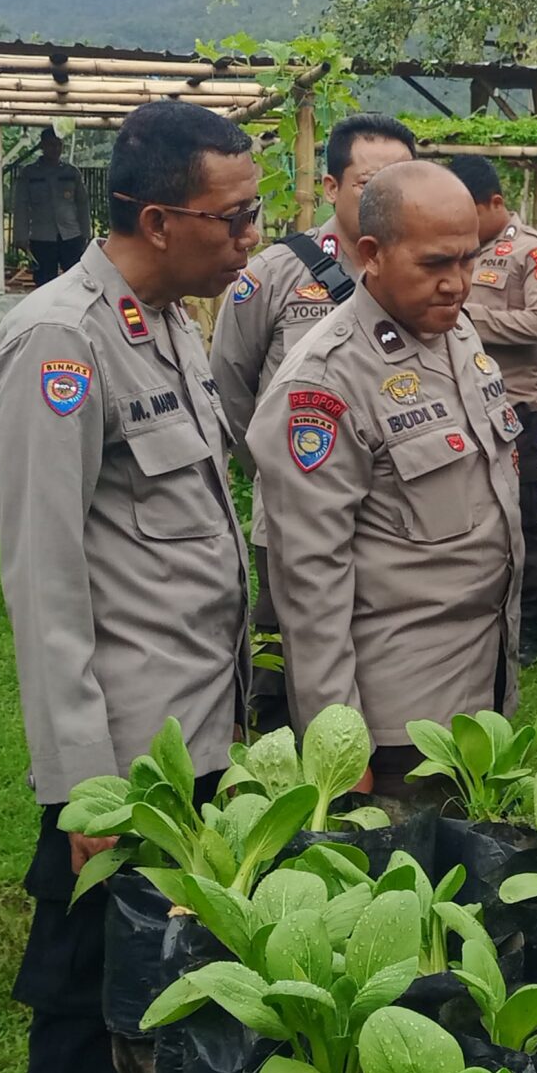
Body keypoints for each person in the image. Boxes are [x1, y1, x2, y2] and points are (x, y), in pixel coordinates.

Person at [0, 100, 256, 1073]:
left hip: (201, 740)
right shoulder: (59, 345)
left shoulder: (168, 324)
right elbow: (44, 586)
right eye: (236, 216)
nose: (253, 239)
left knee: (166, 1003)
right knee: (89, 1023)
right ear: (159, 220)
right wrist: (86, 787)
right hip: (126, 768)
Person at [255, 162, 523, 793]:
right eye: (435, 264)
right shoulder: (324, 382)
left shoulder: (452, 329)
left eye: (468, 260)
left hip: (482, 691)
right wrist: (339, 750)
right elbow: (309, 585)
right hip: (397, 725)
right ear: (371, 255)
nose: (457, 284)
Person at [211, 114, 417, 726]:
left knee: (388, 674)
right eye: (368, 184)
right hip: (294, 527)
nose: (385, 200)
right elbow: (228, 388)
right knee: (283, 679)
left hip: (400, 527)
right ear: (330, 187)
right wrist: (283, 475)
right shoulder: (273, 275)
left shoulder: (424, 275)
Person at [446, 154, 537, 665]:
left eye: (466, 212)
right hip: (453, 401)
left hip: (512, 405)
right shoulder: (453, 250)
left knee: (521, 516)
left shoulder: (534, 254)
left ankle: (531, 628)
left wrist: (466, 316)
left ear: (494, 203)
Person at [11, 130, 88, 283]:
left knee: (75, 280)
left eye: (59, 145)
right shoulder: (30, 174)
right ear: (43, 146)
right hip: (42, 236)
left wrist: (85, 233)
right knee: (44, 281)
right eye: (51, 145)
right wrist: (21, 236)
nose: (56, 149)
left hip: (70, 234)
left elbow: (82, 204)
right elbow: (21, 206)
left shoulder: (71, 173)